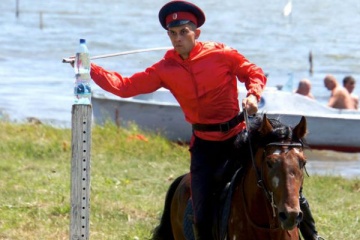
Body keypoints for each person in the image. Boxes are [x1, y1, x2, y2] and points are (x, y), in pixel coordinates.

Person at [70, 1, 322, 239]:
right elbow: (124, 87)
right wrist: (89, 68)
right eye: (173, 34)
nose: (178, 39)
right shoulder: (164, 69)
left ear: (196, 33)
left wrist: (253, 94)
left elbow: (252, 72)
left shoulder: (222, 54)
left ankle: (312, 235)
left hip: (239, 137)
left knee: (286, 181)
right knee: (201, 212)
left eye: (183, 32)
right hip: (205, 146)